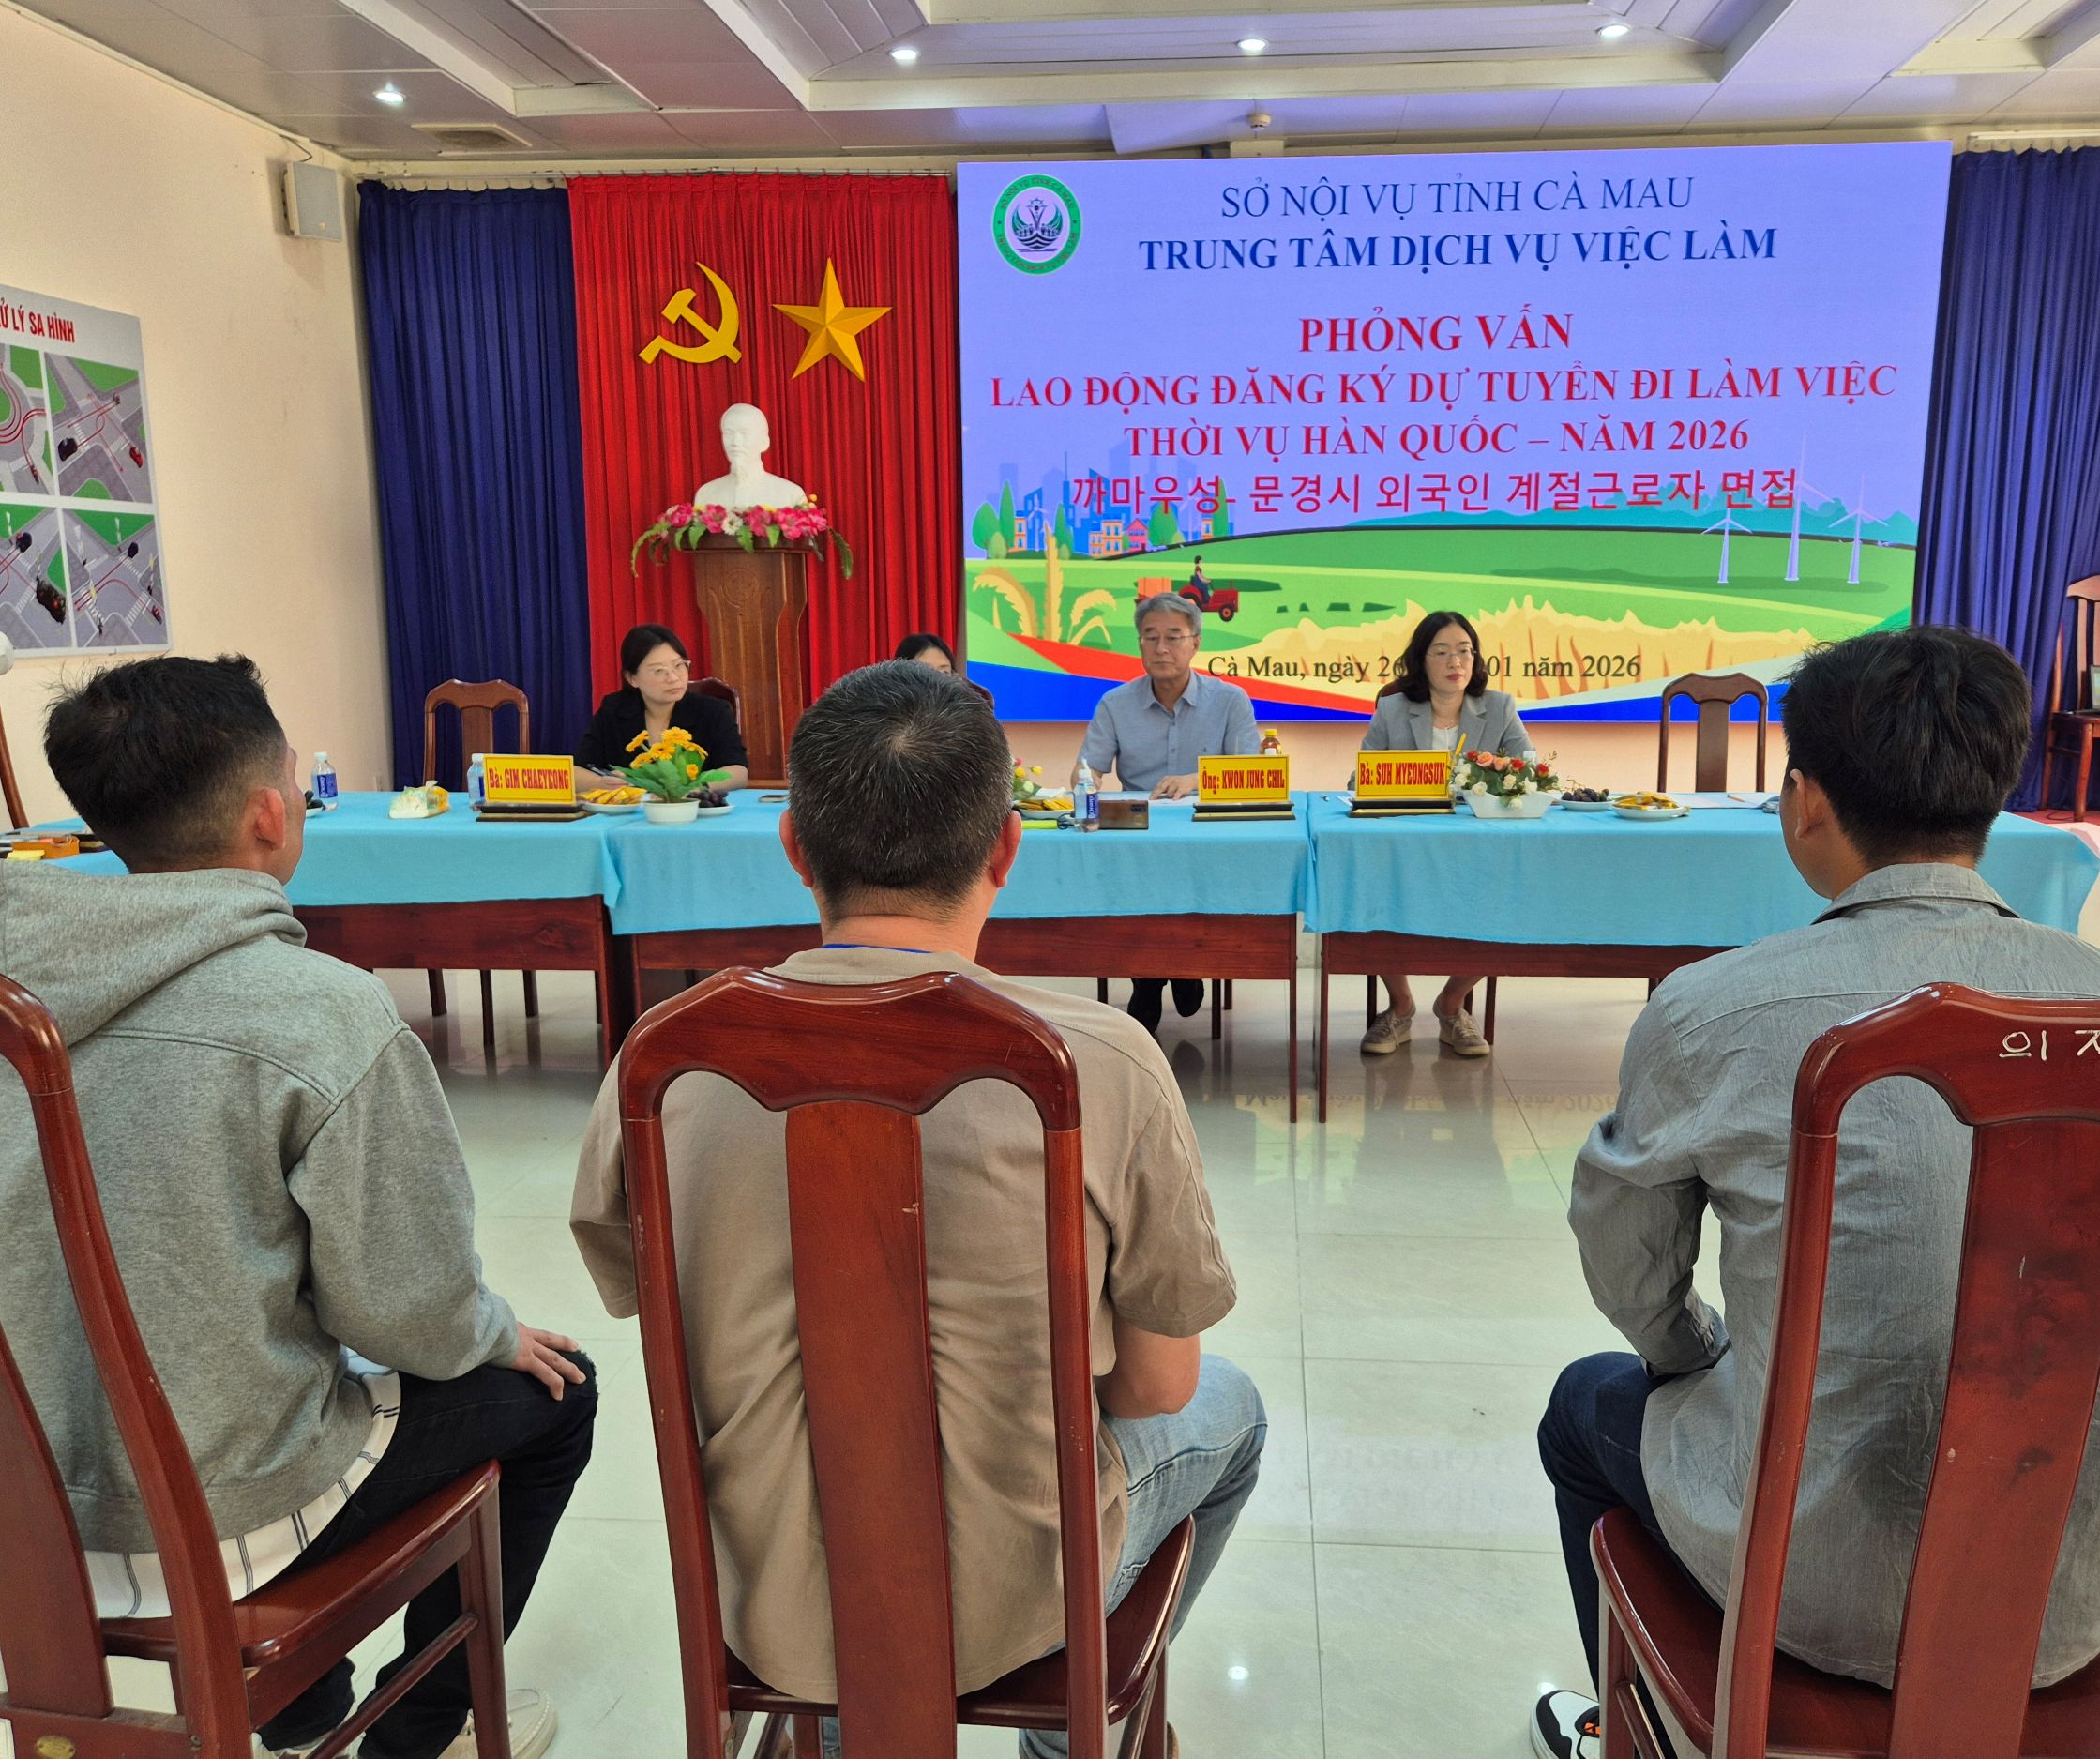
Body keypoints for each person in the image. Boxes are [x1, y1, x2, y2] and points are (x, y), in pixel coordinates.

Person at [1530, 626, 2100, 1759]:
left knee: (1586, 1404)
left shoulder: (1717, 1008)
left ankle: (1633, 1730)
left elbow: (1627, 1263)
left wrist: (1695, 1356)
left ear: (1806, 801)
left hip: (1806, 1586)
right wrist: (2051, 1334)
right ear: (1994, 793)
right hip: (2064, 1590)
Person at [570, 661, 1263, 1759]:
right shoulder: (1098, 1059)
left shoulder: (667, 1060)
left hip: (763, 1595)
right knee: (1233, 1407)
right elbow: (1155, 1386)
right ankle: (1073, 1733)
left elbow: (653, 1313)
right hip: (1018, 1597)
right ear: (1007, 849)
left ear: (794, 847)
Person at [10, 655, 594, 1759]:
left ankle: (303, 1711)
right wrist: (489, 1329)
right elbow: (406, 1316)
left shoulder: (17, 985)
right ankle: (420, 1733)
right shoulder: (321, 1012)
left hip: (24, 1516)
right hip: (221, 1515)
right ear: (271, 812)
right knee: (554, 1390)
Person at [1076, 592, 1260, 1032]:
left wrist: (1195, 780)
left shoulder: (1230, 700)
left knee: (1195, 878)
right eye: (1150, 637)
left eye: (1173, 637)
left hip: (1206, 833)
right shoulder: (1115, 703)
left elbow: (1252, 773)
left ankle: (1187, 964)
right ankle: (1147, 978)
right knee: (1127, 878)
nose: (1161, 648)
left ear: (1196, 642)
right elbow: (1088, 770)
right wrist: (1086, 785)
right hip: (1139, 833)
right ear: (1139, 643)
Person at [1357, 611, 1533, 1060]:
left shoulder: (1499, 708)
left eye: (1464, 651)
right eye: (1442, 652)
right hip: (1408, 842)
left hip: (1477, 843)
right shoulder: (1393, 709)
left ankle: (1452, 1005)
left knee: (1504, 894)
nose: (1456, 661)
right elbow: (1360, 778)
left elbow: (1528, 772)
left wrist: (1500, 776)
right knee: (1374, 885)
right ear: (1421, 660)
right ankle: (1400, 1006)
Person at [574, 622, 749, 792]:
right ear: (632, 678)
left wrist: (696, 788)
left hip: (692, 807)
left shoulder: (712, 711)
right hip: (634, 810)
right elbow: (575, 771)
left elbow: (738, 772)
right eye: (659, 670)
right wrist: (600, 783)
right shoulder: (614, 710)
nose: (673, 678)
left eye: (679, 665)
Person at [893, 630, 995, 706]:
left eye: (945, 672)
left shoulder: (968, 708)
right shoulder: (889, 712)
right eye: (926, 671)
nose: (938, 680)